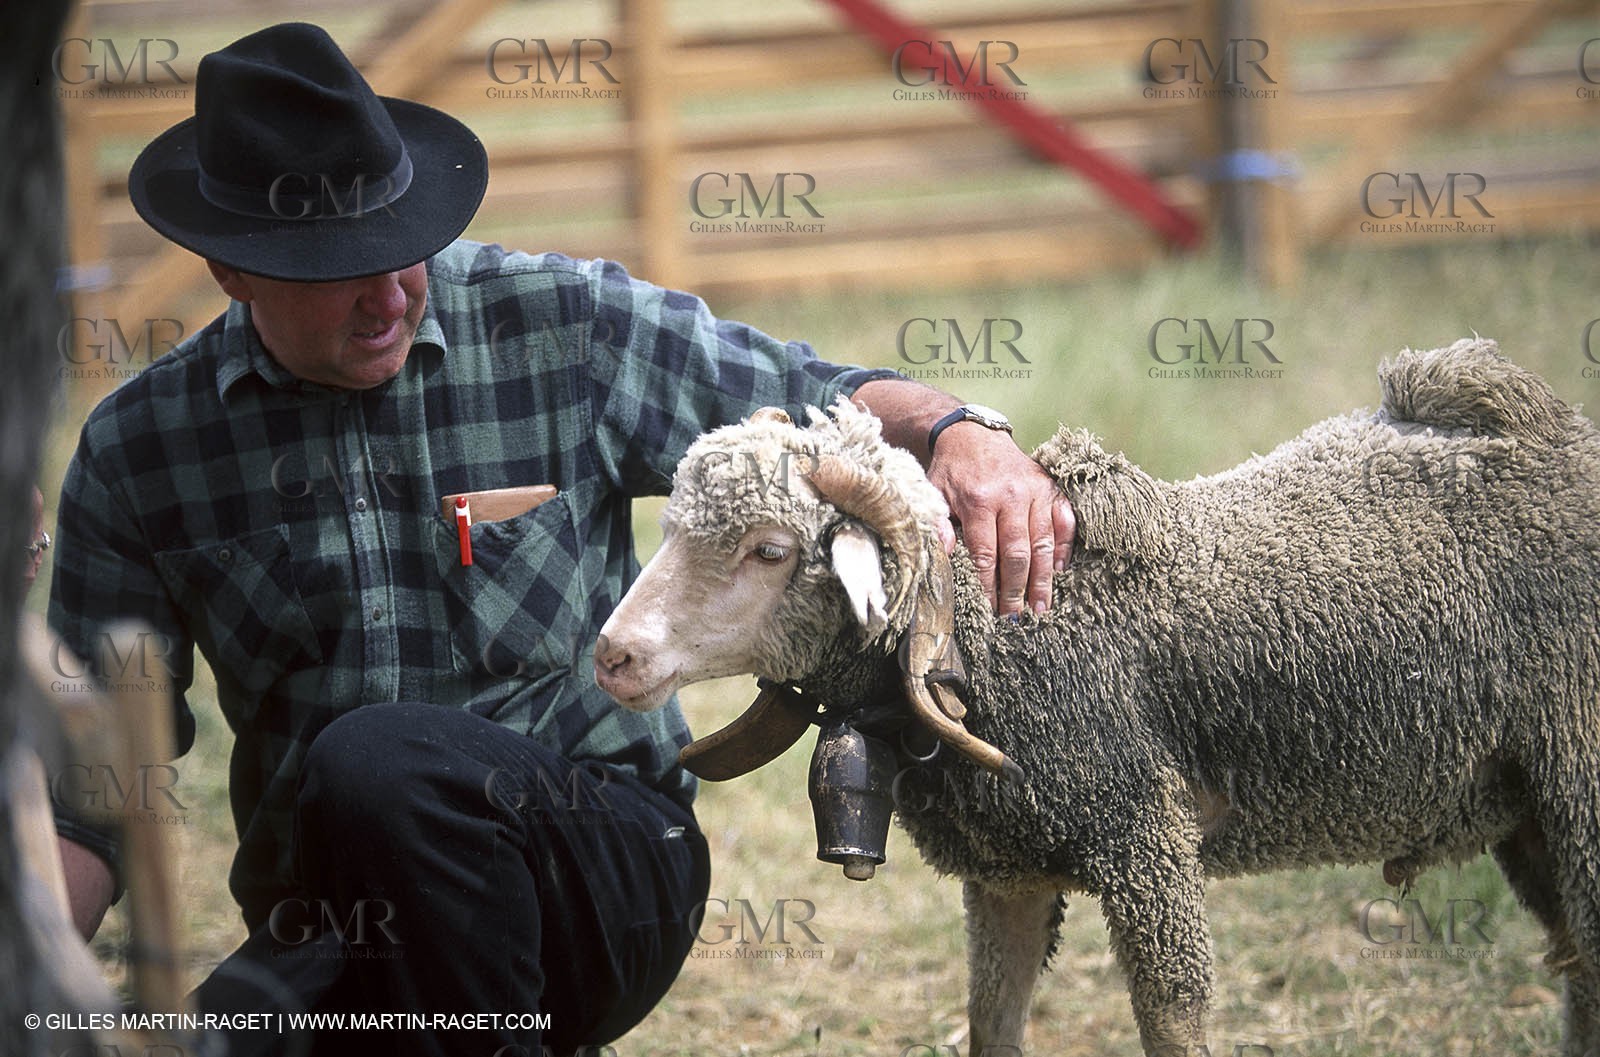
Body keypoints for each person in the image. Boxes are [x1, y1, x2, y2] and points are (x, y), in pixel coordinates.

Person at [48, 22, 1073, 1057]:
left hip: (598, 857)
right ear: (232, 271)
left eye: (403, 246)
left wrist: (957, 432)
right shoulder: (139, 452)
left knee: (377, 759)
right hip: (346, 917)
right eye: (341, 266)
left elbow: (814, 396)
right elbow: (87, 788)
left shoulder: (560, 326)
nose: (391, 290)